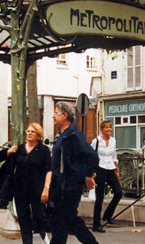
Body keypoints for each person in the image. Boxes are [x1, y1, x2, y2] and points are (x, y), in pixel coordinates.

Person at [49, 102, 99, 244]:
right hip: (61, 186)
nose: (53, 116)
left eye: (56, 113)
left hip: (69, 187)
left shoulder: (73, 135)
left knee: (70, 221)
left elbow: (92, 156)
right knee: (60, 223)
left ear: (65, 116)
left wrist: (88, 176)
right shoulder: (63, 135)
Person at [0, 123, 51, 244]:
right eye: (28, 131)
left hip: (37, 191)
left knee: (39, 217)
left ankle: (45, 237)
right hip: (20, 190)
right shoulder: (18, 149)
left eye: (33, 131)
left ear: (38, 135)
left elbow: (48, 171)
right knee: (24, 220)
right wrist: (8, 152)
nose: (29, 133)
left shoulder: (44, 150)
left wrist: (46, 189)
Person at [91, 120, 122, 233]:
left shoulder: (113, 140)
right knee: (99, 197)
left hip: (110, 168)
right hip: (100, 169)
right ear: (102, 129)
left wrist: (117, 170)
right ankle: (96, 224)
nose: (108, 130)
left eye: (110, 127)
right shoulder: (96, 141)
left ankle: (107, 215)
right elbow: (91, 155)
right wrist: (92, 172)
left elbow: (114, 156)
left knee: (118, 192)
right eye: (106, 128)